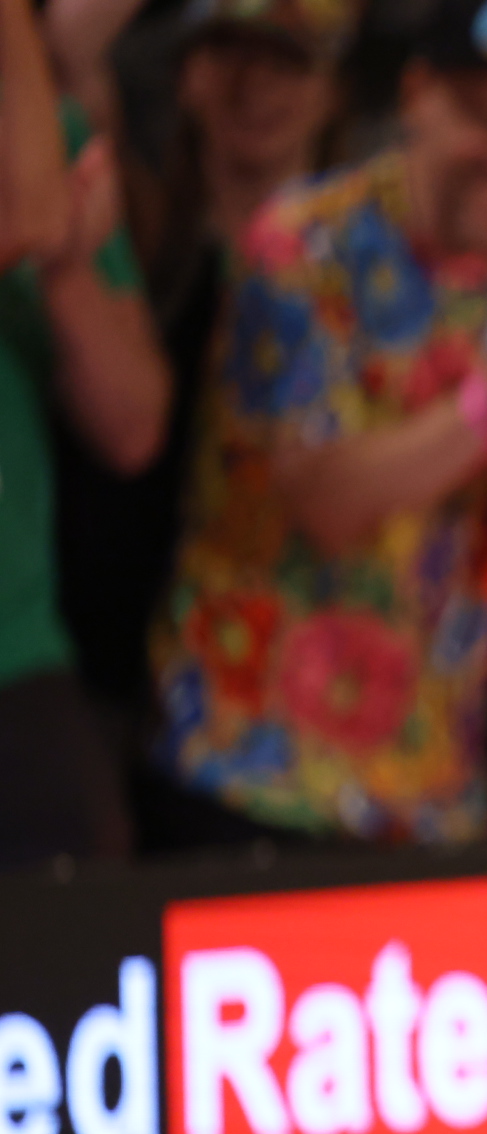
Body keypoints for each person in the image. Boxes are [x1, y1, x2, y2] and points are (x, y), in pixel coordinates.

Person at [150, 0, 487, 846]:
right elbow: (324, 499)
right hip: (249, 762)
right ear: (418, 96)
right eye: (483, 120)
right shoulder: (306, 242)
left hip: (433, 784)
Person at [47, 0, 352, 796]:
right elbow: (69, 60)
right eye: (230, 56)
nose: (256, 87)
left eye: (287, 64)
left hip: (282, 684)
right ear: (189, 78)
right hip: (114, 651)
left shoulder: (368, 278)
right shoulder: (140, 228)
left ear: (331, 93)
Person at [0, 0, 170, 869]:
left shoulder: (45, 134)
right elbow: (23, 216)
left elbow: (133, 428)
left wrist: (68, 273)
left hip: (18, 654)